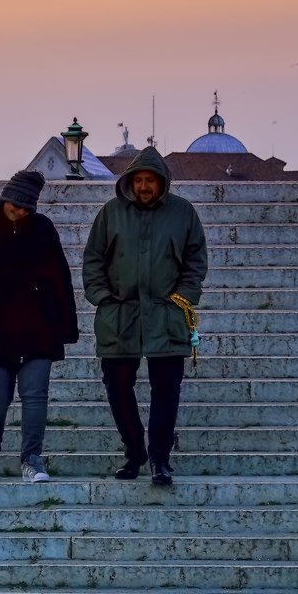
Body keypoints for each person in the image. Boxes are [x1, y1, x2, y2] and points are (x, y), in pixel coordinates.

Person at [80, 147, 206, 487]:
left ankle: (160, 458)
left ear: (162, 182)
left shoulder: (183, 212)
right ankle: (134, 451)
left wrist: (184, 298)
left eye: (151, 180)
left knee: (167, 388)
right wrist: (103, 298)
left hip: (167, 314)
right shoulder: (111, 213)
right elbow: (93, 259)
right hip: (120, 314)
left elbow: (196, 260)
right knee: (117, 386)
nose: (144, 186)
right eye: (139, 180)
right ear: (130, 182)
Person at [0, 168, 80, 481]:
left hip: (38, 325)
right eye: (15, 204)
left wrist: (65, 327)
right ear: (4, 198)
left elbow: (61, 276)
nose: (20, 211)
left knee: (35, 395)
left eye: (27, 207)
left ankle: (32, 459)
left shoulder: (42, 227)